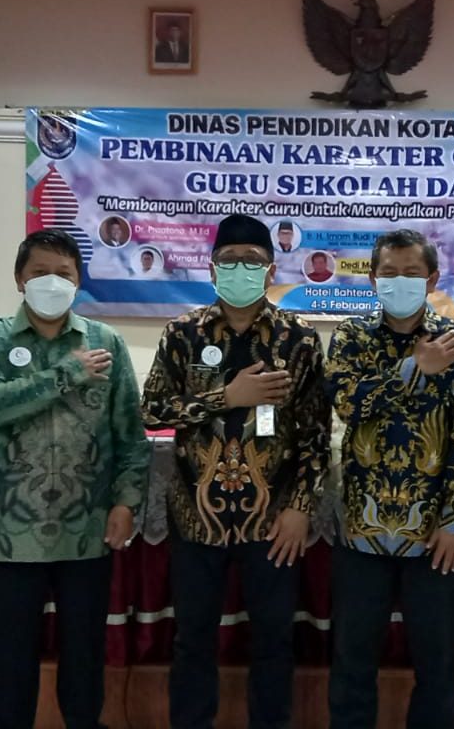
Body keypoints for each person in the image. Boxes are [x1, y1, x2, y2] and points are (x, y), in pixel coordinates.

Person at [141, 213, 329, 729]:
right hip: (195, 516)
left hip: (272, 521)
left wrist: (301, 508)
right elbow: (152, 411)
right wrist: (226, 397)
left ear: (271, 270)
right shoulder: (183, 333)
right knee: (193, 640)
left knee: (273, 641)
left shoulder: (299, 338)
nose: (240, 268)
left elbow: (316, 433)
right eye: (229, 260)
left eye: (252, 260)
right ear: (211, 268)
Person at [0, 229, 149, 729]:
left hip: (85, 531)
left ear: (79, 281)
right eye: (39, 272)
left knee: (84, 662)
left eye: (62, 274)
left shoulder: (105, 342)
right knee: (9, 666)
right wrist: (65, 374)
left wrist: (126, 502)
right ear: (19, 279)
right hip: (8, 536)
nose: (51, 282)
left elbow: (130, 433)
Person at [325, 230, 454, 729]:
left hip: (435, 532)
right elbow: (348, 404)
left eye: (411, 273)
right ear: (373, 280)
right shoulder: (351, 337)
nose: (400, 281)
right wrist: (414, 369)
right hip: (362, 529)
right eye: (389, 273)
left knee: (437, 668)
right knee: (352, 663)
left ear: (432, 279)